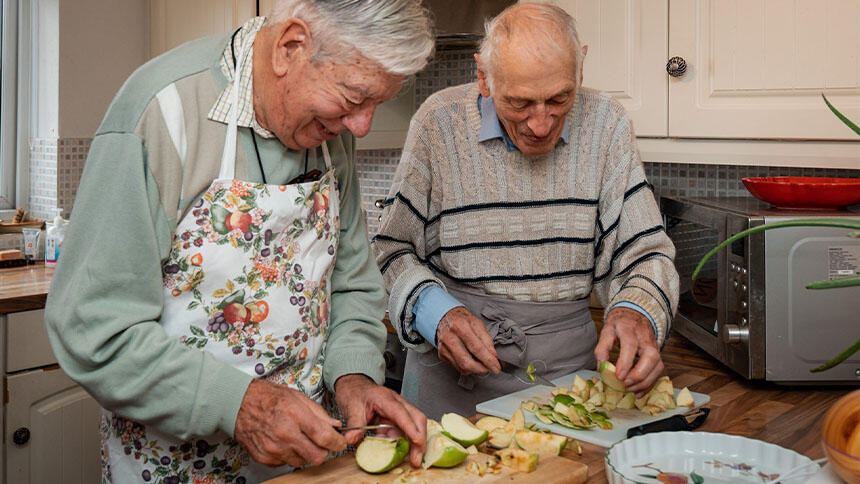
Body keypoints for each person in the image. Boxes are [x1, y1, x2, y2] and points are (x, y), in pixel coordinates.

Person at [43, 1, 434, 482]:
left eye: (378, 104)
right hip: (176, 464)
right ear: (291, 46)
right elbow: (94, 328)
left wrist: (354, 374)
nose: (362, 126)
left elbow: (351, 285)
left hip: (310, 459)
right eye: (354, 98)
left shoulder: (329, 129)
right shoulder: (162, 111)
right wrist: (242, 405)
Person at [372, 2, 679, 419]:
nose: (540, 124)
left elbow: (644, 252)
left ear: (580, 69)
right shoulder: (438, 123)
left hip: (569, 388)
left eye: (559, 98)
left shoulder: (607, 124)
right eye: (519, 103)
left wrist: (636, 310)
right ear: (484, 77)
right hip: (449, 390)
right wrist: (435, 314)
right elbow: (391, 248)